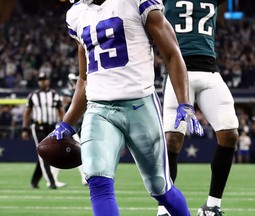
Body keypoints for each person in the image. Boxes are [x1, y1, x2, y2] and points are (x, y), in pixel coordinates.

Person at [51, 0, 203, 215]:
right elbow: (84, 79)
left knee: (160, 187)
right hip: (98, 109)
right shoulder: (77, 13)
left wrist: (184, 102)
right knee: (98, 180)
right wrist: (67, 122)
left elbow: (172, 53)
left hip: (140, 106)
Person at [158, 0, 239, 215]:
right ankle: (164, 209)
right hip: (178, 70)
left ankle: (212, 206)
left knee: (230, 134)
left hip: (210, 71)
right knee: (172, 140)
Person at [22, 72, 67, 189]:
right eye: (40, 79)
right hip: (38, 127)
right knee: (44, 153)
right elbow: (27, 113)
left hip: (52, 127)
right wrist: (25, 128)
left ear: (48, 81)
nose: (43, 81)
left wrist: (65, 125)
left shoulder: (54, 95)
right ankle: (51, 182)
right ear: (38, 81)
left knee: (48, 154)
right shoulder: (33, 95)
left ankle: (34, 181)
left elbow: (61, 111)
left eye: (44, 79)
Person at [62, 73, 87, 186]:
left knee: (61, 153)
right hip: (67, 125)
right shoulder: (66, 92)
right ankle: (84, 177)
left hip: (76, 125)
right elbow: (65, 103)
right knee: (79, 150)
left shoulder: (77, 91)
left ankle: (51, 178)